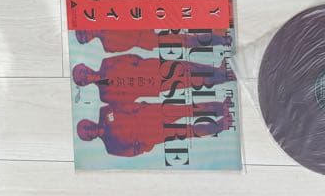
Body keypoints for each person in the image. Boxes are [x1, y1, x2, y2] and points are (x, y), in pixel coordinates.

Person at [77, 98, 235, 158]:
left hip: (150, 114)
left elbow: (124, 105)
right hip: (151, 134)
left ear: (88, 121)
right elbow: (133, 151)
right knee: (188, 131)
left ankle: (222, 108)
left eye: (86, 126)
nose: (89, 130)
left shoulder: (104, 111)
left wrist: (142, 107)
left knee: (188, 109)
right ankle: (222, 125)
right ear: (89, 139)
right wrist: (147, 144)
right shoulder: (110, 148)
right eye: (86, 133)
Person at [72, 56, 235, 105]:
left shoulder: (106, 63)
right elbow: (127, 101)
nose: (86, 74)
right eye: (82, 77)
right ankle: (221, 78)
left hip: (151, 67)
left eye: (83, 70)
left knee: (186, 66)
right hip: (151, 86)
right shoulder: (104, 96)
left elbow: (132, 58)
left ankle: (218, 72)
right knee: (188, 81)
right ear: (84, 84)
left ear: (86, 66)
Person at [74, 29, 232, 54]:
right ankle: (220, 40)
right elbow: (129, 42)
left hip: (148, 15)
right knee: (186, 41)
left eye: (84, 32)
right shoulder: (107, 46)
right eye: (85, 38)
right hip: (149, 38)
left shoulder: (104, 13)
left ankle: (219, 29)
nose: (88, 34)